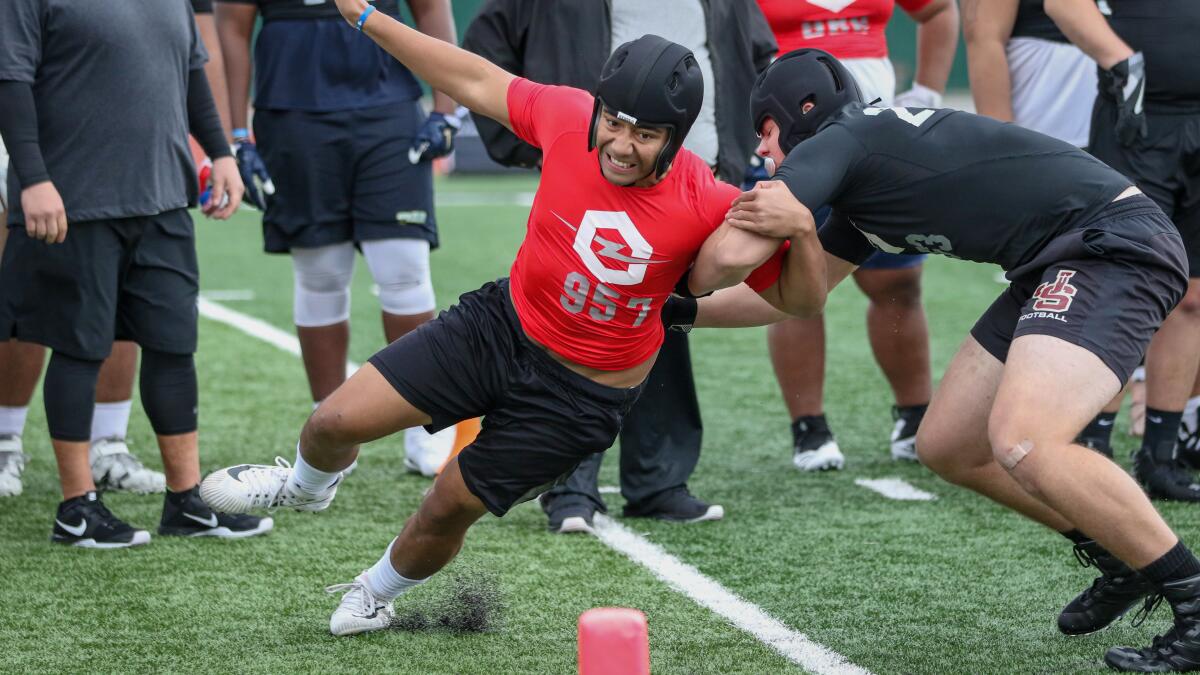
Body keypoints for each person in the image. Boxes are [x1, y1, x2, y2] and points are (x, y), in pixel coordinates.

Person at [199, 7, 821, 635]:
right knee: (332, 421)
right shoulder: (568, 115)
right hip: (501, 327)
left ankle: (373, 593)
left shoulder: (709, 202)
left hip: (580, 398)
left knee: (446, 506)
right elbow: (468, 77)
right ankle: (307, 486)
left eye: (647, 135)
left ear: (678, 136)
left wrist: (803, 230)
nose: (621, 146)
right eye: (614, 122)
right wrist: (365, 17)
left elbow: (799, 301)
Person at [690, 47, 1200, 671]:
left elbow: (736, 251)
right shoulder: (861, 176)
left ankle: (1193, 600)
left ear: (800, 114)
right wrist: (673, 312)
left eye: (764, 134)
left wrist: (655, 271)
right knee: (948, 444)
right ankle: (1119, 554)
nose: (764, 154)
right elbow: (792, 298)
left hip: (1108, 245)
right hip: (1055, 261)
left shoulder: (846, 136)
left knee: (1027, 439)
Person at [462, 0, 777, 532]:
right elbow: (487, 40)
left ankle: (658, 481)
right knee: (579, 327)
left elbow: (761, 57)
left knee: (665, 323)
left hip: (701, 183)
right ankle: (569, 489)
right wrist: (535, 142)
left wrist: (750, 142)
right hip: (603, 172)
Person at [0, 0, 272, 546]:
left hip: (163, 199)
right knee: (79, 348)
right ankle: (77, 508)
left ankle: (187, 502)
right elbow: (10, 82)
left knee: (174, 345)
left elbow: (192, 75)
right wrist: (32, 179)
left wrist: (220, 154)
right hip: (74, 201)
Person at [214, 0, 465, 477]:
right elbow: (231, 28)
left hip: (387, 109)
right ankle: (330, 426)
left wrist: (445, 110)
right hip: (292, 113)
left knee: (404, 268)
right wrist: (237, 135)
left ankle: (423, 422)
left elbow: (432, 9)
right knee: (320, 274)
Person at [753, 0, 957, 470]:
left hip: (874, 143)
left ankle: (915, 416)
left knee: (896, 281)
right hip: (785, 147)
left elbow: (939, 11)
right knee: (794, 282)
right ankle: (810, 427)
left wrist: (925, 93)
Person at [1044, 0, 1200, 505]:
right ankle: (1092, 439)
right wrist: (1120, 62)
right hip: (1137, 119)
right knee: (1121, 282)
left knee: (1195, 294)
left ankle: (1161, 453)